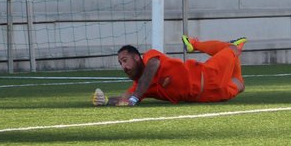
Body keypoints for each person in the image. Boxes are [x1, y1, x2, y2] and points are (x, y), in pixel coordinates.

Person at [92, 36, 248, 106]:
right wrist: (105, 100)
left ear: (137, 57)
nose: (123, 67)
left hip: (209, 74)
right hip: (210, 96)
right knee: (240, 84)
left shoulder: (150, 57)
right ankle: (197, 44)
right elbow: (124, 98)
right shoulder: (140, 87)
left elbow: (153, 66)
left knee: (233, 49)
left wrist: (136, 97)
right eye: (120, 63)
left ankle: (195, 44)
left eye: (125, 60)